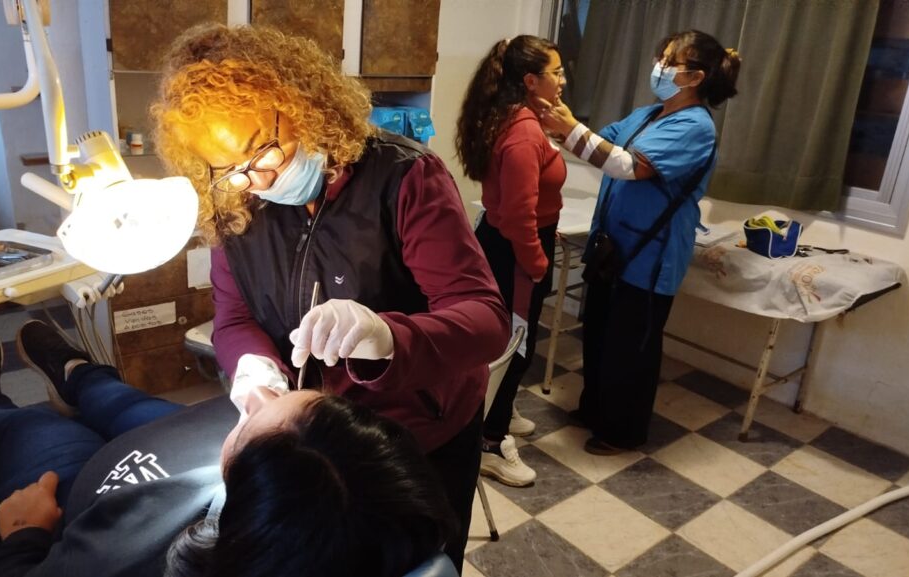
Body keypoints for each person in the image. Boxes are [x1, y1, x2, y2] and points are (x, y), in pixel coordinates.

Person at [149, 24, 509, 568]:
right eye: (230, 170)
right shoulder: (235, 205)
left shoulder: (405, 178)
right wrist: (253, 366)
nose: (258, 179)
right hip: (317, 450)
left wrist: (389, 338)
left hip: (415, 436)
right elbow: (234, 317)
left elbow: (486, 321)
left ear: (304, 102)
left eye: (262, 149)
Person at [0, 321, 455, 577]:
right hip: (172, 454)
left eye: (253, 422)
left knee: (28, 428)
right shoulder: (361, 510)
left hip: (79, 495)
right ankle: (78, 374)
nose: (256, 396)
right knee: (116, 397)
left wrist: (23, 538)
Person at [538, 30, 741, 455]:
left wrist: (569, 128)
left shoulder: (695, 127)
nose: (659, 67)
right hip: (614, 246)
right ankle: (595, 409)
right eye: (659, 57)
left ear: (696, 77)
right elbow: (601, 144)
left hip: (651, 255)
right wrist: (562, 125)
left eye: (669, 61)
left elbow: (629, 166)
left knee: (630, 347)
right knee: (598, 332)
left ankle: (623, 431)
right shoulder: (650, 115)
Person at [454, 36, 567, 487]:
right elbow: (519, 215)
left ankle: (501, 409)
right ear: (530, 80)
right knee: (515, 347)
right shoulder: (523, 132)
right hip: (516, 251)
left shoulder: (513, 117)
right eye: (556, 72)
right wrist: (537, 264)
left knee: (508, 342)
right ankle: (490, 443)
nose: (563, 79)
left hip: (509, 243)